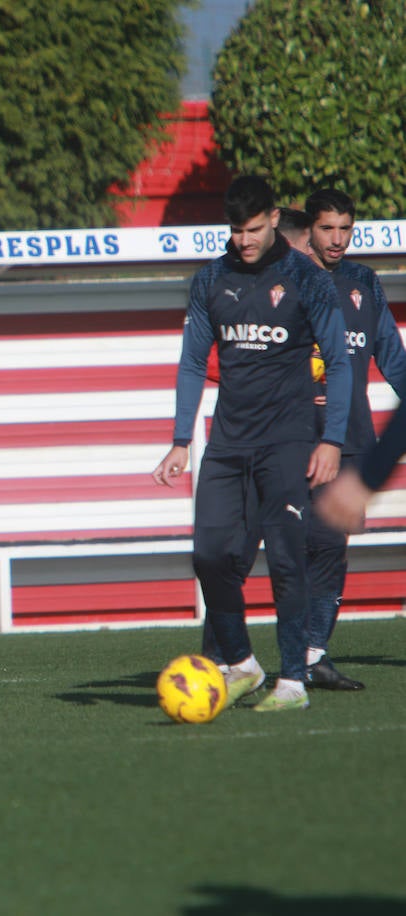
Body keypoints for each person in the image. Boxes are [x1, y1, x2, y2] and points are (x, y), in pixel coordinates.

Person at [153, 175, 350, 713]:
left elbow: (337, 360)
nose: (244, 239)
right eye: (236, 230)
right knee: (209, 555)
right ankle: (241, 663)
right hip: (228, 442)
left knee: (286, 560)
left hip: (287, 441)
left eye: (255, 229)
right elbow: (194, 360)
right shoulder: (210, 279)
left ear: (272, 220)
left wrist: (331, 439)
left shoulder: (305, 278)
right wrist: (178, 440)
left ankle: (292, 682)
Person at [293, 188, 406, 689]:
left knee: (331, 546)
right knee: (269, 547)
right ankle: (232, 654)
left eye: (345, 229)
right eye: (326, 229)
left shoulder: (363, 282)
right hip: (290, 436)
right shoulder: (286, 279)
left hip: (350, 441)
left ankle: (314, 654)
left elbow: (392, 357)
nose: (336, 239)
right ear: (309, 231)